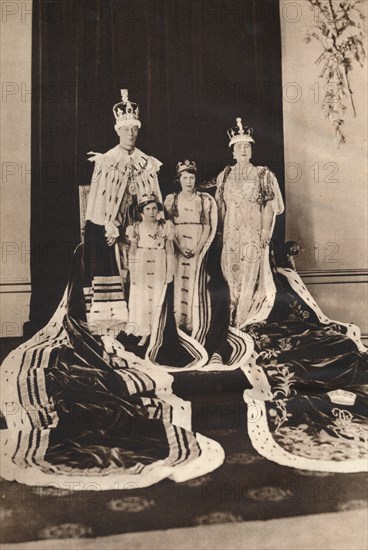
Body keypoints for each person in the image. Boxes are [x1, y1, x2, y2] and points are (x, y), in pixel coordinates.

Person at [83, 89, 163, 334]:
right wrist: (109, 225)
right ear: (118, 131)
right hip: (112, 227)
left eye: (134, 129)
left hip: (140, 227)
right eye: (126, 130)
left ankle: (142, 324)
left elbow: (155, 200)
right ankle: (113, 324)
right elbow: (96, 200)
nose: (131, 134)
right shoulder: (106, 161)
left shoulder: (146, 162)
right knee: (114, 264)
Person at [215, 117, 284, 328]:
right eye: (239, 147)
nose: (243, 150)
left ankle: (245, 320)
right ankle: (230, 317)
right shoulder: (224, 175)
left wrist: (265, 230)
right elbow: (221, 207)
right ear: (232, 152)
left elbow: (269, 206)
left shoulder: (263, 175)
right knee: (230, 271)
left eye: (246, 146)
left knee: (249, 273)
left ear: (251, 150)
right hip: (230, 234)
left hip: (252, 233)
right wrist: (219, 233)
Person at [164, 161, 211, 332]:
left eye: (191, 177)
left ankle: (194, 323)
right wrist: (179, 247)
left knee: (195, 281)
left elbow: (207, 226)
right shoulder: (172, 200)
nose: (188, 181)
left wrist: (198, 248)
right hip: (179, 244)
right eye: (185, 178)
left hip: (197, 243)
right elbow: (168, 226)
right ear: (179, 179)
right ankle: (179, 322)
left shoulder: (202, 200)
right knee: (179, 280)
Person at [125, 194, 174, 346]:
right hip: (142, 264)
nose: (152, 212)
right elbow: (132, 251)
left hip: (159, 263)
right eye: (148, 209)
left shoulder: (165, 226)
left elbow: (170, 251)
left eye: (154, 208)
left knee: (157, 297)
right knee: (142, 298)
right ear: (141, 211)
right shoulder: (135, 228)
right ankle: (144, 333)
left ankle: (156, 331)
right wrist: (132, 271)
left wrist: (169, 272)